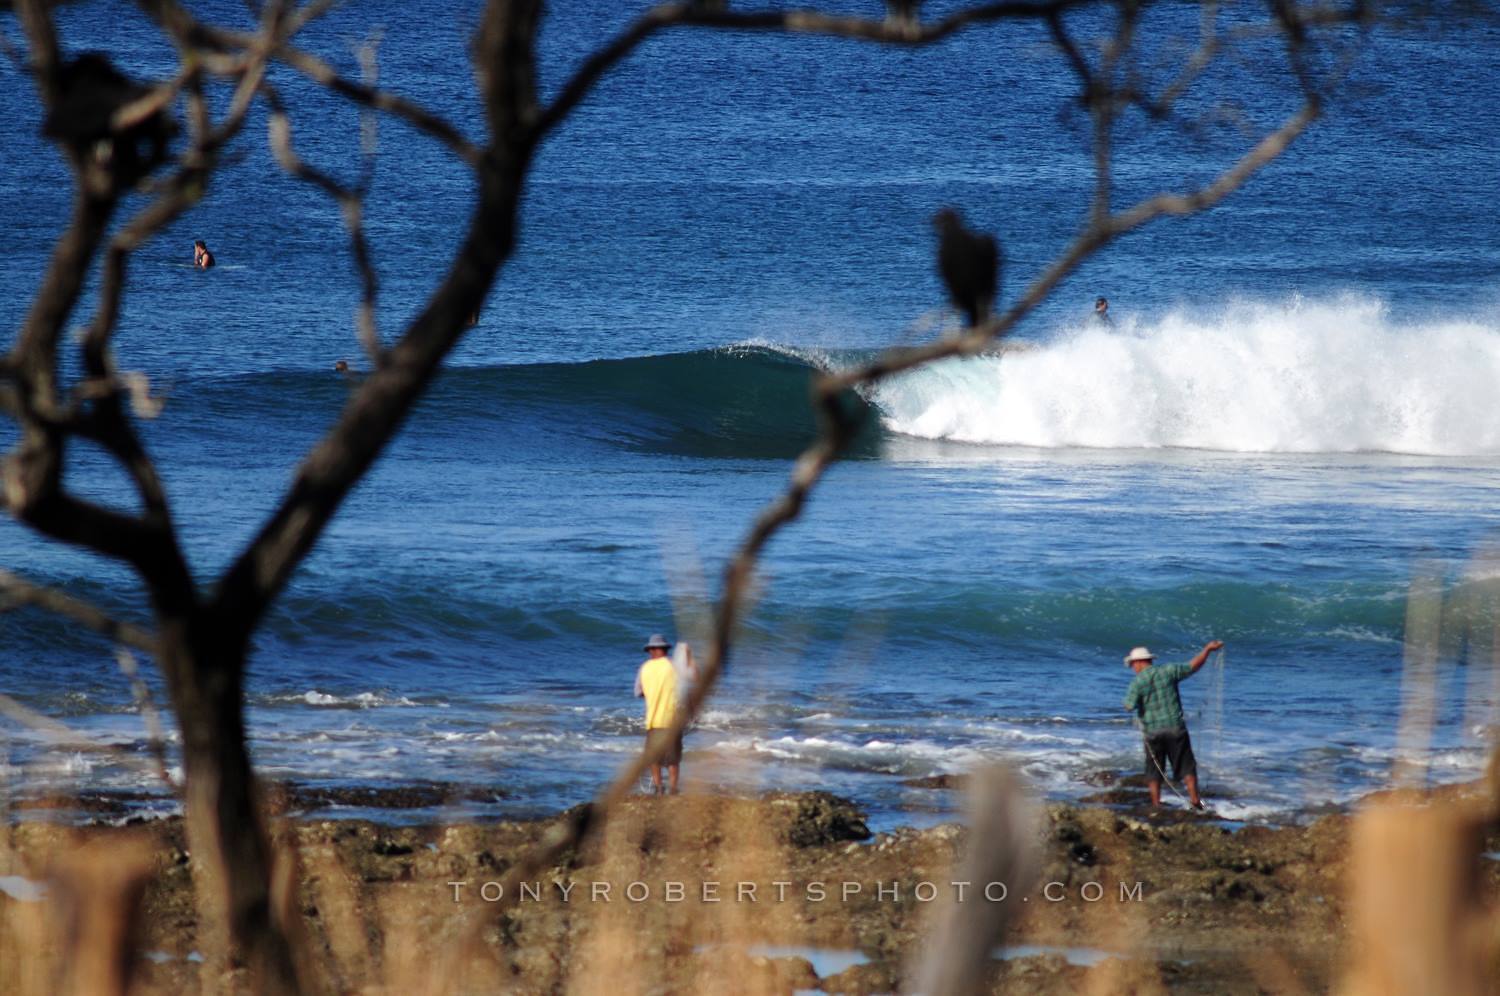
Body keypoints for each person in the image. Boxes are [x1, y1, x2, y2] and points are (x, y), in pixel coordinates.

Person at [1122, 640, 1223, 810]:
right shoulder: (1168, 671)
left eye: (1133, 664)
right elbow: (1193, 666)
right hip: (1175, 728)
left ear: (1139, 662)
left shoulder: (1137, 683)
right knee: (1186, 766)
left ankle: (1156, 804)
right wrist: (1207, 650)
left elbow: (1128, 706)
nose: (1133, 668)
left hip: (1152, 732)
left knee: (1154, 769)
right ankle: (1195, 800)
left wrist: (1140, 701)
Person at [634, 634, 684, 795]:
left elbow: (638, 692)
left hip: (653, 721)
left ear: (652, 650)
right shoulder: (674, 666)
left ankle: (658, 787)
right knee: (673, 759)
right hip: (672, 720)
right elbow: (684, 691)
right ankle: (673, 789)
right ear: (665, 649)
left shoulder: (644, 668)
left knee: (654, 758)